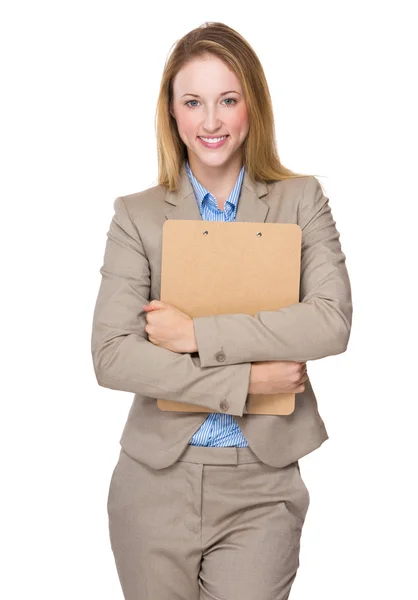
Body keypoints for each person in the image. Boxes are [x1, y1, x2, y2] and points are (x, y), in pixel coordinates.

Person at [91, 21, 352, 600]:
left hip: (262, 484)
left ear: (251, 106)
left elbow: (330, 321)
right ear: (173, 114)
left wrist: (194, 333)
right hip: (153, 484)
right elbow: (112, 357)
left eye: (227, 100)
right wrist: (247, 380)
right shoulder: (136, 216)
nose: (211, 121)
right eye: (194, 102)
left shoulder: (299, 199)